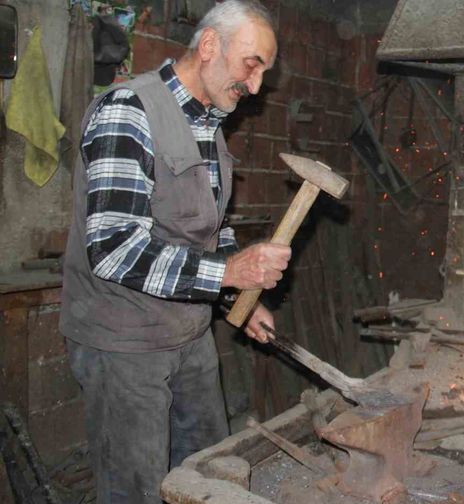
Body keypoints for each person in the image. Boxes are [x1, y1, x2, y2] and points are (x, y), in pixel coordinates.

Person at [59, 1, 290, 502]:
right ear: (209, 45)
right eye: (251, 65)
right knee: (136, 489)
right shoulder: (130, 110)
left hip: (188, 334)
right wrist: (227, 274)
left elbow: (208, 230)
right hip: (125, 342)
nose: (255, 87)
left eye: (263, 74)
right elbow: (115, 249)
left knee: (208, 475)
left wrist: (238, 295)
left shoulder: (209, 126)